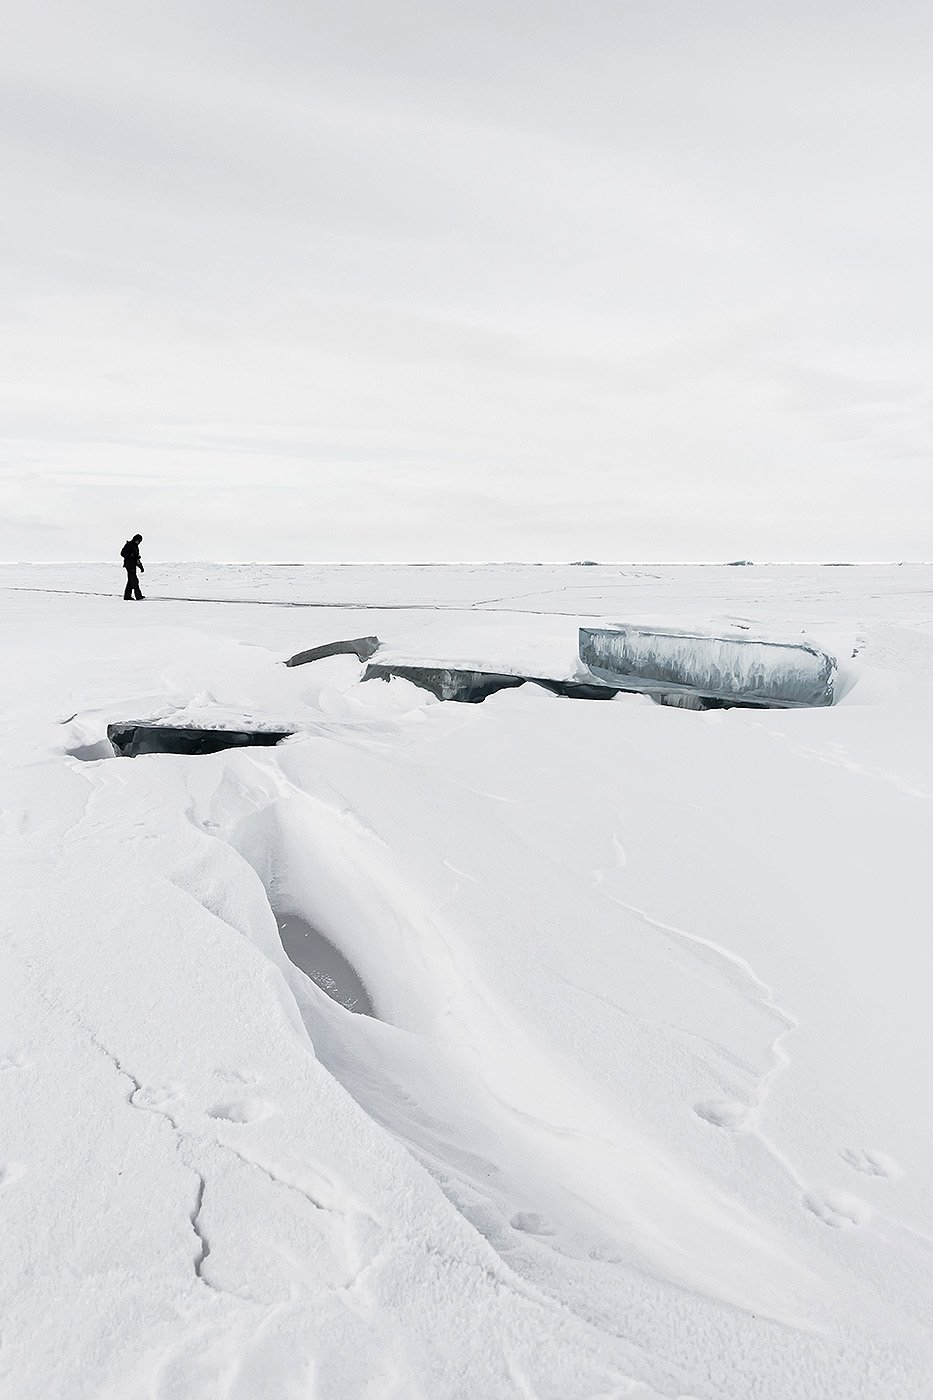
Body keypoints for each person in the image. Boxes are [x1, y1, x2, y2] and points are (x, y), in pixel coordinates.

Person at [121, 534, 145, 600]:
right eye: (138, 541)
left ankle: (127, 596)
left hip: (133, 565)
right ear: (135, 539)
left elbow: (137, 558)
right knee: (134, 580)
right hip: (129, 565)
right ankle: (138, 595)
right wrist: (131, 556)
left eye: (140, 541)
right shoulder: (129, 545)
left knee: (131, 581)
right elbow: (122, 553)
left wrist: (141, 567)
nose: (139, 542)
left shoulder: (135, 546)